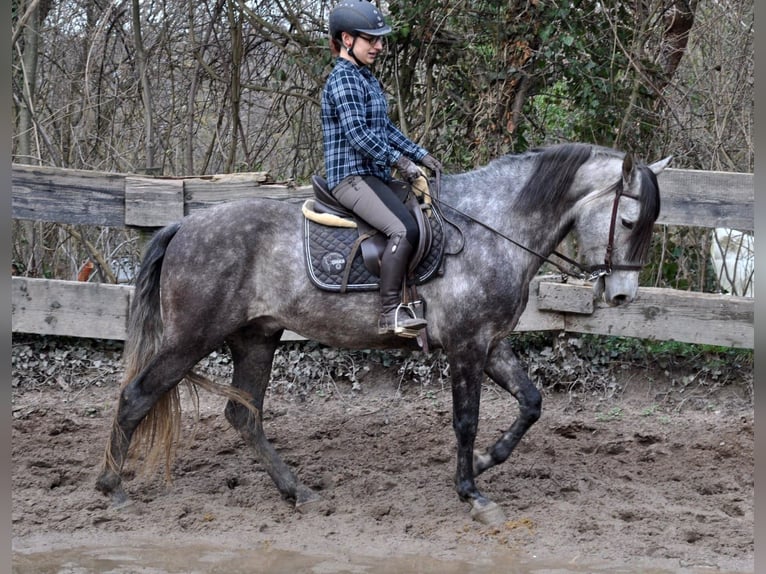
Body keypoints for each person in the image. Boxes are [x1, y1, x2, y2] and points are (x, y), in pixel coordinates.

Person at [321, 0, 443, 336]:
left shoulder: (366, 78)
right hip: (351, 178)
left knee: (423, 213)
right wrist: (402, 163)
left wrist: (420, 155)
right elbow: (359, 135)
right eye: (370, 39)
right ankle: (390, 312)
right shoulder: (343, 80)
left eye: (380, 40)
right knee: (403, 230)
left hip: (373, 176)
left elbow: (384, 130)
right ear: (347, 39)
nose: (379, 46)